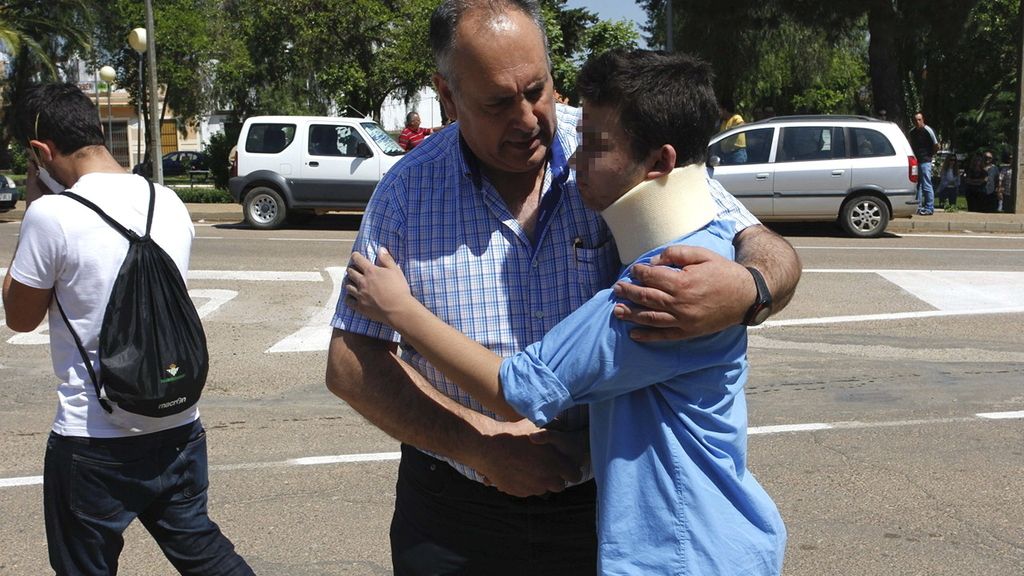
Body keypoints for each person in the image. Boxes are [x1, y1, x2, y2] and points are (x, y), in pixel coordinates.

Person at [325, 1, 801, 573]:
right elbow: (350, 365)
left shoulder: (617, 143)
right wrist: (480, 446)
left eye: (538, 90)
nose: (528, 119)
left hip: (605, 510)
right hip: (456, 513)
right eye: (498, 103)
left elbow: (759, 243)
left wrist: (750, 288)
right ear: (448, 96)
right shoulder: (407, 193)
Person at [3, 83, 253, 576]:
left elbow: (20, 316)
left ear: (40, 152)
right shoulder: (167, 200)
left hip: (94, 438)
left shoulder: (52, 215)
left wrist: (33, 207)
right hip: (177, 421)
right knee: (206, 555)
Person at [908, 112, 939, 215]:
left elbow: (936, 145)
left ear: (923, 120)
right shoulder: (912, 132)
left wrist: (930, 155)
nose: (917, 122)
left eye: (919, 120)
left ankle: (929, 207)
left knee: (926, 184)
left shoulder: (928, 130)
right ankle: (918, 206)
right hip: (916, 161)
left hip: (925, 161)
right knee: (917, 185)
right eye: (915, 120)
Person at [717, 97, 747, 165]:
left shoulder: (736, 117)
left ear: (725, 109)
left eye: (720, 109)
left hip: (737, 154)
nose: (719, 112)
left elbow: (742, 125)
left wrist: (732, 131)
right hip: (726, 155)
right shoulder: (724, 122)